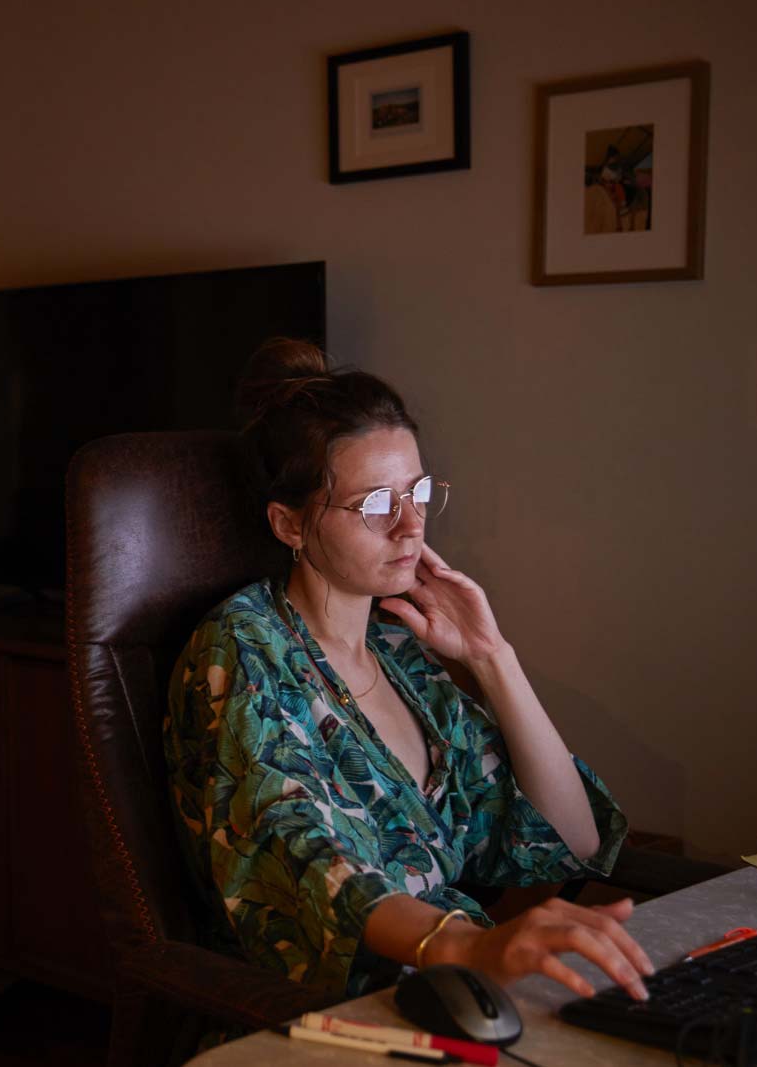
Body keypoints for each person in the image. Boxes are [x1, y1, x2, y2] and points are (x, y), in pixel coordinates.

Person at [163, 337, 654, 1006]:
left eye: (417, 491)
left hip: (465, 990)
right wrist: (469, 945)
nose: (409, 526)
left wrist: (491, 658)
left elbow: (572, 838)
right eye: (372, 504)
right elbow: (304, 856)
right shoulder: (243, 647)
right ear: (288, 524)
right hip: (325, 1015)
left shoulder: (399, 651)